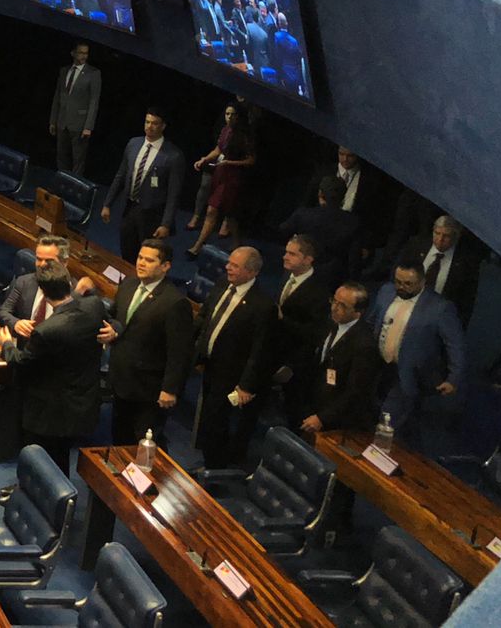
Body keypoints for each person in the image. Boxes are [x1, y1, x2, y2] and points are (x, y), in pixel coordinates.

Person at [1, 263, 103, 471]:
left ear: (43, 292)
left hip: (50, 410)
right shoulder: (94, 305)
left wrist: (7, 345)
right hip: (81, 398)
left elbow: (21, 363)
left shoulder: (47, 330)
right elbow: (92, 301)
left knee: (45, 460)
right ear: (68, 283)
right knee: (61, 456)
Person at [98, 240, 194, 447]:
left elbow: (180, 352)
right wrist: (112, 330)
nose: (141, 263)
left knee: (144, 442)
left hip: (149, 389)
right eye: (140, 257)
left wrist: (170, 389)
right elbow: (115, 317)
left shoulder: (175, 303)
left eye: (149, 260)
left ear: (165, 266)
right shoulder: (129, 285)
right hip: (121, 377)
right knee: (119, 434)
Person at [194, 246, 278, 469]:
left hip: (231, 375)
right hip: (209, 364)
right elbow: (206, 316)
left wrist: (246, 386)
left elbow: (260, 351)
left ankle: (215, 468)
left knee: (216, 421)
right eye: (229, 263)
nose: (227, 268)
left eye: (234, 266)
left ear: (252, 272)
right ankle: (208, 461)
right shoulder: (223, 283)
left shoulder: (263, 306)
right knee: (209, 417)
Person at [367, 260, 464, 437]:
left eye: (407, 284)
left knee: (388, 419)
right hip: (378, 365)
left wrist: (453, 378)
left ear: (422, 282)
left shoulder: (440, 308)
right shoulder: (386, 292)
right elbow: (372, 321)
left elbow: (455, 345)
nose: (401, 287)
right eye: (398, 281)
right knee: (368, 409)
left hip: (408, 371)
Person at [100, 107, 187, 262]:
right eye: (147, 122)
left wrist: (166, 224)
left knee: (147, 256)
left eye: (154, 123)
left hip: (153, 214)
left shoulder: (174, 156)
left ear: (163, 126)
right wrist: (107, 204)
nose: (149, 126)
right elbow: (120, 176)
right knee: (126, 248)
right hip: (130, 207)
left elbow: (174, 195)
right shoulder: (133, 144)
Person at [269, 235, 335, 431]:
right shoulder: (286, 278)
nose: (285, 257)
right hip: (274, 349)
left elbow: (315, 333)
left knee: (294, 409)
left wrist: (283, 319)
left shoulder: (319, 292)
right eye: (286, 252)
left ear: (308, 259)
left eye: (292, 254)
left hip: (296, 360)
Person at [298, 283, 381, 435]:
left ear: (359, 311)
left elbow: (355, 392)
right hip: (312, 403)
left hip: (334, 420)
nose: (334, 308)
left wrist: (323, 418)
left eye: (342, 305)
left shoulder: (364, 345)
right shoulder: (329, 322)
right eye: (334, 301)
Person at [187, 103, 256, 256]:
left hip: (234, 177)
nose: (229, 117)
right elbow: (218, 149)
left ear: (239, 117)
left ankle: (197, 246)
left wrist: (229, 162)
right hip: (221, 173)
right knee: (229, 212)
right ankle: (237, 243)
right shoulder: (225, 130)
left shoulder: (245, 136)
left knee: (213, 209)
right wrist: (205, 159)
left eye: (233, 114)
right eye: (227, 114)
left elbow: (251, 160)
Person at [278, 176, 360, 289]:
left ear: (320, 193)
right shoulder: (352, 223)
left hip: (300, 271)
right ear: (343, 197)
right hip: (331, 279)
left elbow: (282, 232)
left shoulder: (303, 215)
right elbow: (354, 259)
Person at [398, 215, 482, 326]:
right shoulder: (416, 245)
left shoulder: (467, 264)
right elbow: (398, 272)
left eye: (446, 236)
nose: (440, 239)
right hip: (405, 307)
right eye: (437, 233)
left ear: (456, 237)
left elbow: (466, 302)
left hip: (436, 318)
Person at [49, 41, 101, 175]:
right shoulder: (64, 70)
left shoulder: (93, 73)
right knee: (61, 156)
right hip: (62, 122)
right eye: (81, 53)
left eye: (86, 53)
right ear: (73, 53)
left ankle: (74, 188)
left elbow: (94, 101)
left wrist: (88, 126)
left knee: (78, 159)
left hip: (80, 123)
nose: (84, 56)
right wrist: (53, 120)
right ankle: (61, 184)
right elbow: (57, 96)